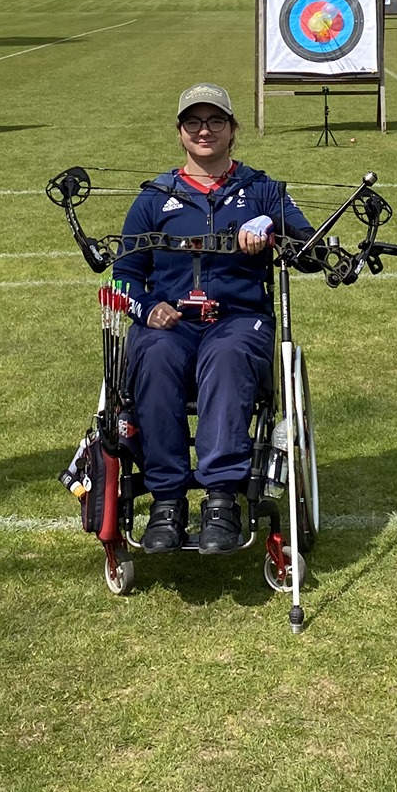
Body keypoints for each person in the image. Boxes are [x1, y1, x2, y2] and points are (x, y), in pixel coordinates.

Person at [109, 84, 313, 555]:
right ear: (180, 133)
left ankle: (222, 498)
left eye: (215, 121)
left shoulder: (265, 191)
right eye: (193, 123)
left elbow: (310, 250)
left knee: (226, 355)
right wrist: (145, 307)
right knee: (155, 355)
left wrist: (276, 233)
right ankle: (167, 501)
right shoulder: (153, 199)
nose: (205, 131)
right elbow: (123, 278)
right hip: (169, 324)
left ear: (233, 130)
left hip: (239, 321)